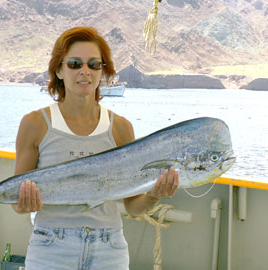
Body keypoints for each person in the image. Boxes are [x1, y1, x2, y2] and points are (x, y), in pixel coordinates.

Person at [12, 26, 179, 270]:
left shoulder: (121, 128)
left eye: (94, 65)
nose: (85, 72)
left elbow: (133, 208)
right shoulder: (35, 124)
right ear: (58, 70)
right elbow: (16, 201)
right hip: (50, 249)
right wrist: (23, 204)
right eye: (75, 64)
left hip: (109, 249)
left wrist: (155, 194)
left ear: (103, 72)